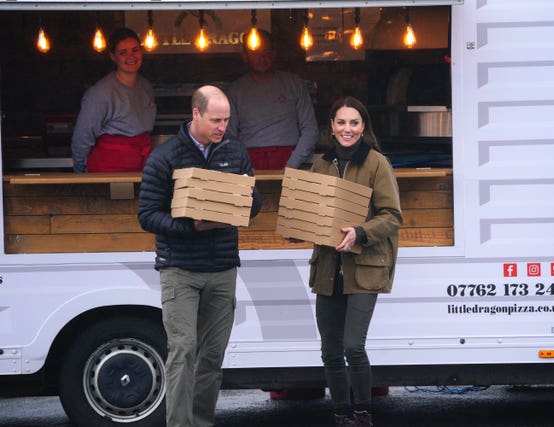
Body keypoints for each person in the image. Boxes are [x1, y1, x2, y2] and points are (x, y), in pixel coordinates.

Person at [138, 85, 261, 426]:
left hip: (222, 267)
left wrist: (240, 201)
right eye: (216, 119)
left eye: (226, 120)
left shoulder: (235, 152)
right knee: (182, 351)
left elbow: (257, 205)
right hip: (180, 268)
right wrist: (190, 226)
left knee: (211, 356)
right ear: (195, 114)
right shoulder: (165, 156)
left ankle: (201, 422)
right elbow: (147, 215)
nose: (223, 127)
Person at [308, 96, 402, 426]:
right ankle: (341, 415)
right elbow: (315, 215)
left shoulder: (377, 163)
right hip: (328, 269)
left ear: (363, 128)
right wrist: (300, 226)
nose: (347, 129)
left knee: (352, 347)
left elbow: (392, 216)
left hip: (363, 268)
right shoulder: (321, 164)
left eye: (354, 123)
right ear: (331, 127)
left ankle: (362, 414)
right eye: (341, 122)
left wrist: (360, 232)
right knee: (330, 351)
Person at [226, 29, 319, 170]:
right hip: (249, 161)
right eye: (255, 54)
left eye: (267, 53)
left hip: (290, 157)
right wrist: (241, 165)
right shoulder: (235, 90)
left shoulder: (293, 83)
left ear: (274, 54)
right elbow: (228, 135)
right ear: (244, 56)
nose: (262, 59)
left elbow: (310, 129)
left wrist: (292, 164)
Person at [71, 27, 156, 173]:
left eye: (135, 50)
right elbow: (82, 136)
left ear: (141, 51)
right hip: (109, 167)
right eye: (123, 52)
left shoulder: (145, 86)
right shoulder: (100, 93)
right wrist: (81, 175)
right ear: (113, 56)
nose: (131, 56)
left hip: (142, 164)